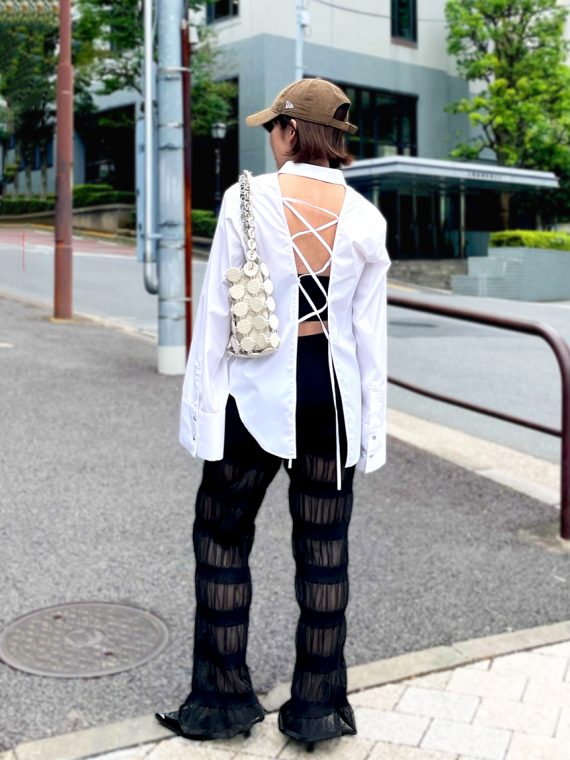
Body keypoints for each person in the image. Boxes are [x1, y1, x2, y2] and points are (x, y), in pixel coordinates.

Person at [155, 78, 391, 750]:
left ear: (291, 130)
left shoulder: (247, 200)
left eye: (273, 127)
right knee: (325, 553)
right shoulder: (366, 218)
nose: (270, 138)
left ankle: (222, 701)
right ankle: (316, 709)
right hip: (332, 394)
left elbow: (217, 317)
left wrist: (201, 417)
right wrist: (370, 433)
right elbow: (369, 335)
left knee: (222, 536)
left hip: (255, 389)